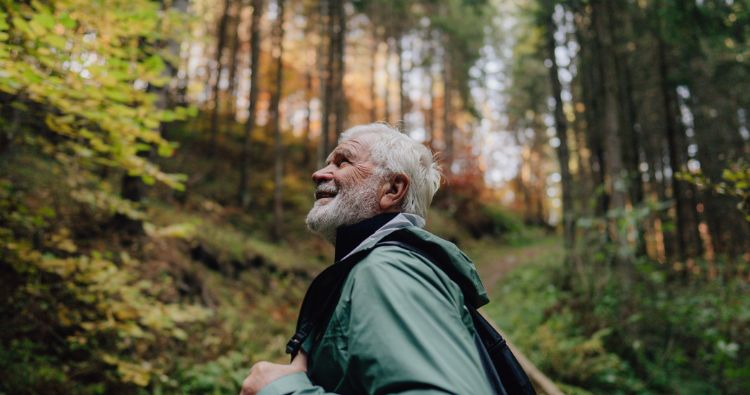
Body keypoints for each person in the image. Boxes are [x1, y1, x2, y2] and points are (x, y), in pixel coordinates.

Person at [241, 123, 494, 395]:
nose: (318, 174)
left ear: (393, 189)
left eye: (343, 162)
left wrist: (280, 390)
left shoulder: (390, 269)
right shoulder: (380, 267)